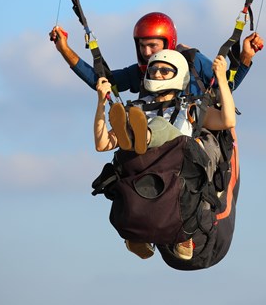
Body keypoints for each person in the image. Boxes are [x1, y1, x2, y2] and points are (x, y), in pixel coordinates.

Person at [93, 49, 236, 261]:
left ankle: (144, 137)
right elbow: (102, 143)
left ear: (179, 74)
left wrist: (222, 80)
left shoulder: (191, 107)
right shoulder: (138, 109)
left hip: (179, 171)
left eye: (165, 71)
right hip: (147, 172)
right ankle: (137, 139)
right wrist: (101, 103)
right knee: (130, 132)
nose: (157, 74)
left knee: (155, 125)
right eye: (154, 70)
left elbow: (227, 121)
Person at [49, 12, 264, 96]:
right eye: (142, 46)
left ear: (168, 42)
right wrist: (64, 49)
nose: (146, 52)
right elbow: (101, 81)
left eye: (152, 46)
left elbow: (227, 86)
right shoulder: (139, 73)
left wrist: (245, 57)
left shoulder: (192, 61)